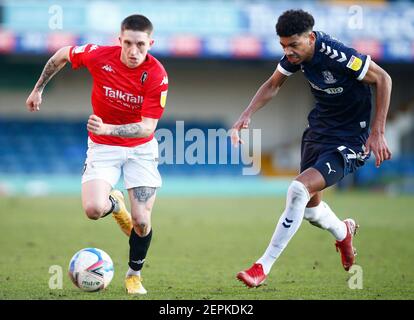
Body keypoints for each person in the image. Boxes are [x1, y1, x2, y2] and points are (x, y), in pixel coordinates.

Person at [231, 9, 392, 288]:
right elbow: (272, 85)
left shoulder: (339, 56)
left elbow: (383, 79)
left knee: (297, 190)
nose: (288, 51)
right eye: (283, 46)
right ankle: (343, 231)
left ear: (311, 37)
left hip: (351, 139)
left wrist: (377, 131)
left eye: (293, 45)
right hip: (319, 131)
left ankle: (262, 267)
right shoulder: (295, 58)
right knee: (309, 208)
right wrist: (246, 115)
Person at [25, 14, 168, 294]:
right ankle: (115, 205)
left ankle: (133, 275)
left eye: (140, 44)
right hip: (102, 147)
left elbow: (146, 128)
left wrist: (109, 127)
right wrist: (37, 89)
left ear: (150, 43)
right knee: (93, 210)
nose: (133, 51)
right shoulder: (99, 56)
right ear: (119, 40)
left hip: (141, 149)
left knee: (141, 221)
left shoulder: (157, 75)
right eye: (127, 43)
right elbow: (62, 54)